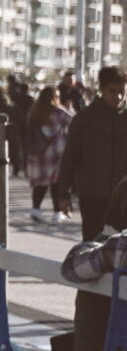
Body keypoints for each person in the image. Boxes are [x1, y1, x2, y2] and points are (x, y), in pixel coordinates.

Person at [57, 66, 127, 238]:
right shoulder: (84, 119)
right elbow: (70, 158)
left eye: (122, 91)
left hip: (124, 198)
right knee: (92, 248)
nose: (118, 96)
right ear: (101, 89)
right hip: (93, 196)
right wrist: (63, 195)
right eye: (112, 91)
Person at [30, 86, 73, 220]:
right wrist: (69, 108)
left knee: (41, 182)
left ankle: (36, 209)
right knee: (56, 182)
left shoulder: (34, 112)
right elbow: (75, 120)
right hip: (56, 151)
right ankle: (57, 212)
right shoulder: (59, 111)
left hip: (38, 152)